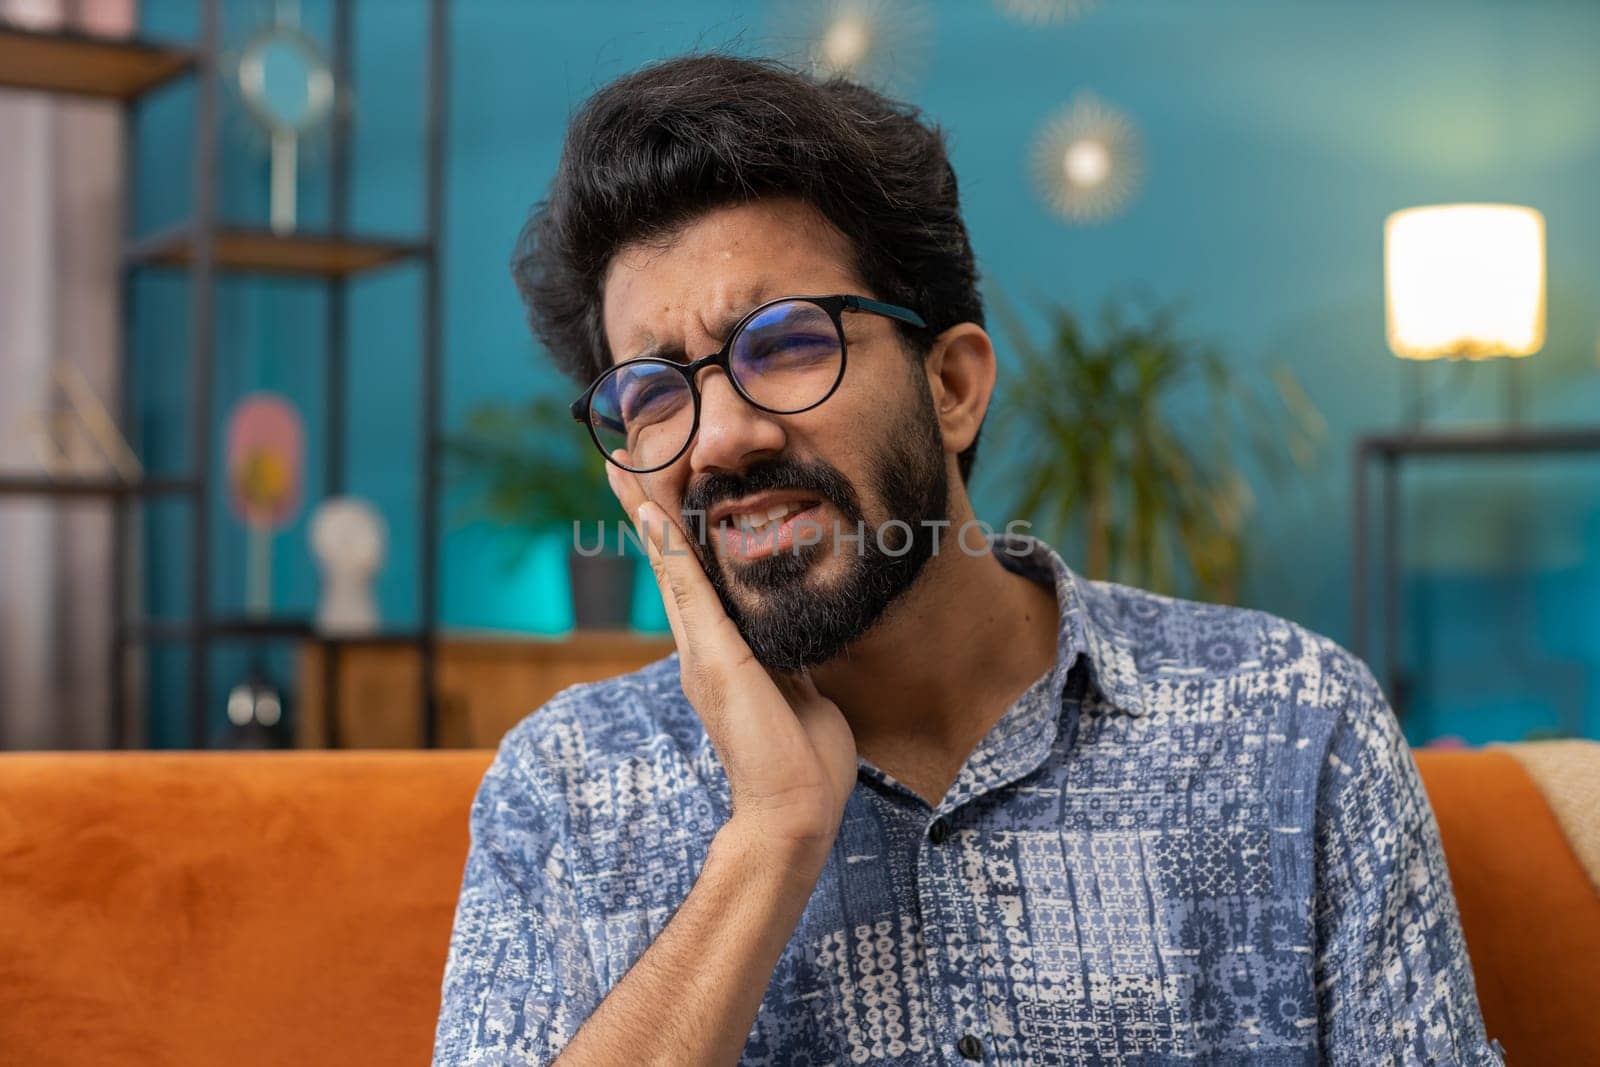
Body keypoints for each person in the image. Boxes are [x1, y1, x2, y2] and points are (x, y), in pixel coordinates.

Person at [432, 53, 1503, 1066]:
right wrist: (767, 840)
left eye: (786, 340)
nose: (718, 438)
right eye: (656, 391)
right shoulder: (565, 790)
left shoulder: (1291, 721)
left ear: (950, 386)